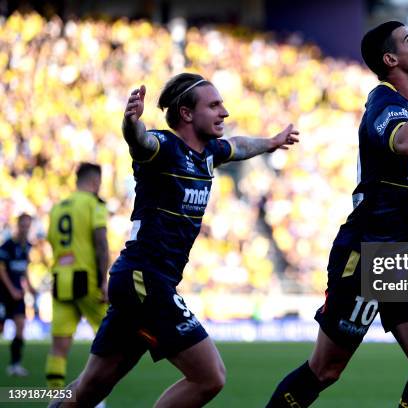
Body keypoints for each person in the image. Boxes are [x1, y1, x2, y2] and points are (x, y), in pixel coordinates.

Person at [267, 21, 408, 408]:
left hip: (401, 257)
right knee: (326, 370)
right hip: (367, 254)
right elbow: (407, 144)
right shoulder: (383, 105)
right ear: (390, 59)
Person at [50, 72, 299, 407]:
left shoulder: (209, 152)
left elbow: (239, 146)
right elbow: (140, 141)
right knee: (210, 377)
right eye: (214, 105)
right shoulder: (164, 148)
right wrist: (131, 122)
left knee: (89, 389)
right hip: (145, 279)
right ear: (186, 113)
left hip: (137, 281)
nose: (224, 112)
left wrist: (270, 142)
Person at [46, 163, 110, 389]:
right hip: (87, 279)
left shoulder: (57, 208)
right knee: (109, 342)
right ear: (95, 182)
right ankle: (96, 399)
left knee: (59, 348)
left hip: (60, 280)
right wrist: (104, 280)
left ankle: (55, 401)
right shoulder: (94, 204)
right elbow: (101, 243)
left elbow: (52, 242)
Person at [0, 213, 37, 376]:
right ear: (18, 225)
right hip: (3, 294)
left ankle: (15, 365)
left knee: (20, 327)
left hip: (18, 295)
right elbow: (1, 270)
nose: (25, 228)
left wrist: (30, 287)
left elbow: (24, 270)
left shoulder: (27, 246)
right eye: (23, 225)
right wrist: (12, 289)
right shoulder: (7, 245)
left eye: (28, 225)